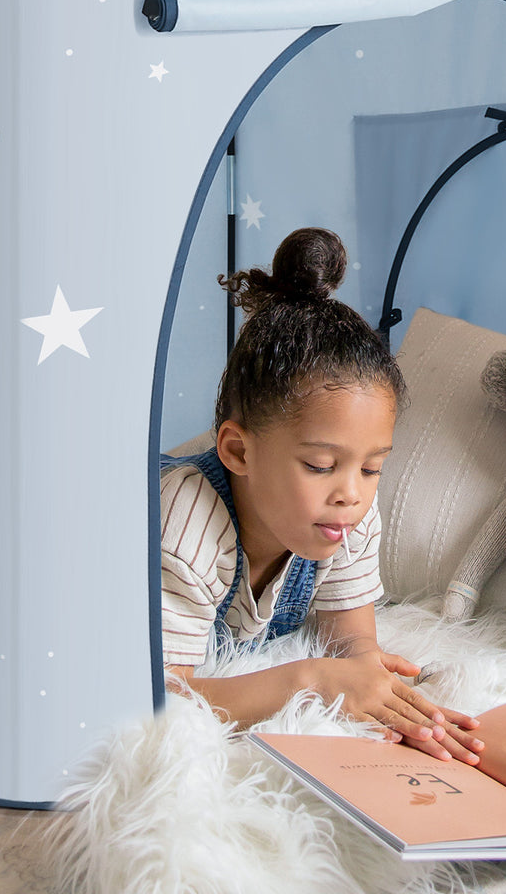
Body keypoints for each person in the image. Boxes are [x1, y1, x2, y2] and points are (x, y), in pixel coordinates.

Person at [160, 226, 483, 764]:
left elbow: (351, 640)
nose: (351, 494)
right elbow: (158, 701)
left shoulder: (346, 516)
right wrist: (310, 679)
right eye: (320, 465)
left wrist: (363, 673)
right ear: (239, 452)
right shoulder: (187, 527)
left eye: (373, 467)